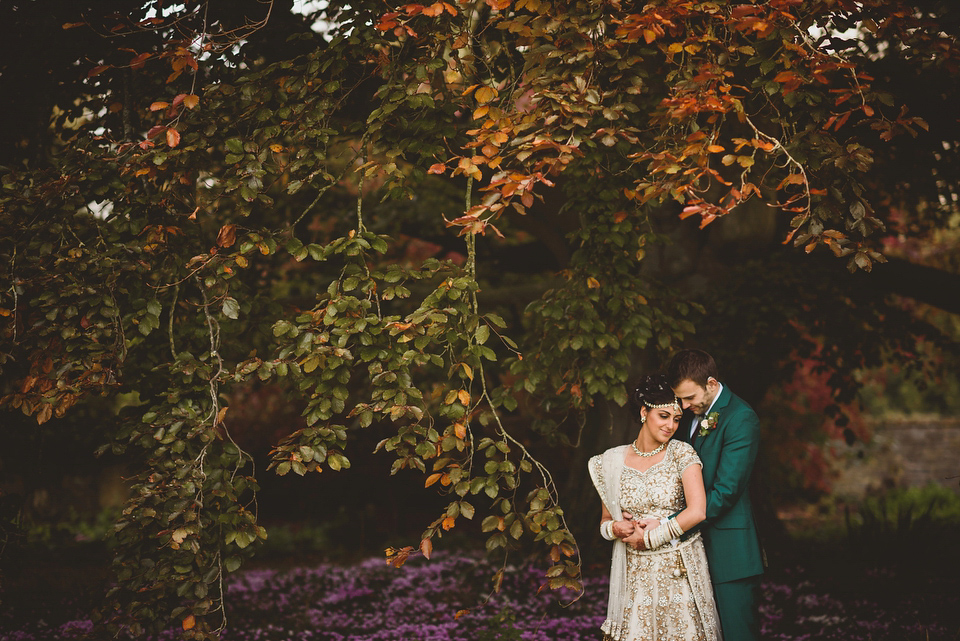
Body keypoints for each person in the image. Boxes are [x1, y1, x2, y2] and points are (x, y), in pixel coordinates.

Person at [588, 374, 722, 641]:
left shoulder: (682, 453)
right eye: (663, 416)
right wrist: (617, 528)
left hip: (678, 569)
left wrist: (650, 537)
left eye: (676, 419)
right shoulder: (610, 462)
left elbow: (698, 511)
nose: (671, 425)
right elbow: (604, 524)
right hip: (634, 574)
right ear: (643, 412)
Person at [667, 349, 764, 641]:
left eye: (689, 398)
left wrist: (672, 525)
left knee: (736, 635)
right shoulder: (686, 417)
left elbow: (726, 491)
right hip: (688, 552)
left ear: (711, 383)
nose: (683, 407)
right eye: (679, 399)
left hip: (729, 551)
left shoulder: (741, 418)